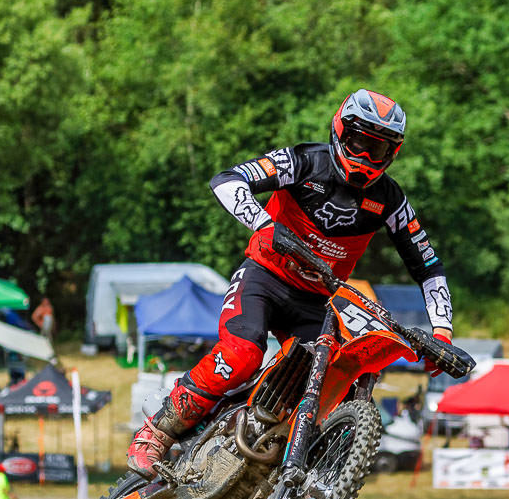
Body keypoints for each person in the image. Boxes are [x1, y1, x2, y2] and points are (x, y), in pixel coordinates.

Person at [127, 88, 455, 476]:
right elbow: (227, 180)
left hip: (316, 302)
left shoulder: (390, 200)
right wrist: (265, 225)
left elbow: (428, 266)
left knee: (342, 376)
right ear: (340, 131)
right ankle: (157, 432)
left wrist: (442, 332)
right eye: (359, 142)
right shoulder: (304, 162)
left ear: (392, 153)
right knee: (242, 354)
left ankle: (289, 473)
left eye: (378, 149)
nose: (366, 156)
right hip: (264, 278)